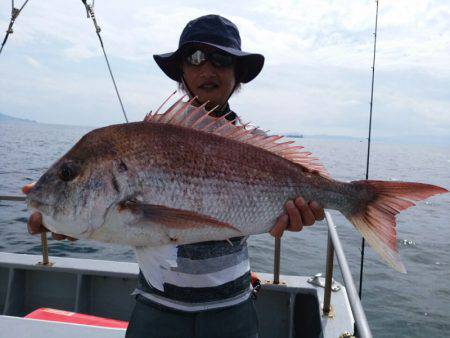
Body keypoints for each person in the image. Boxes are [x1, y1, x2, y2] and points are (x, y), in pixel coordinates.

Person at [24, 14, 325, 338]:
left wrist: (300, 213)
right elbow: (115, 219)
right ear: (181, 70)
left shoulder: (258, 145)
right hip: (157, 307)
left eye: (221, 59)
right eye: (194, 58)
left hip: (231, 308)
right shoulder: (148, 135)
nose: (207, 69)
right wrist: (69, 224)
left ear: (237, 72)